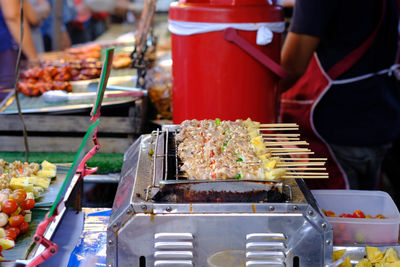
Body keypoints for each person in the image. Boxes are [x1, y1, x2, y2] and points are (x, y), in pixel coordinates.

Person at [279, 0, 400, 190]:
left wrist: (254, 103)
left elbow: (292, 67)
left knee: (338, 216)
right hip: (380, 114)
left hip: (333, 130)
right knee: (368, 211)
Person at [0, 0, 38, 99]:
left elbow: (33, 18)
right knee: (8, 99)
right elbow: (13, 16)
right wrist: (33, 58)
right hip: (6, 50)